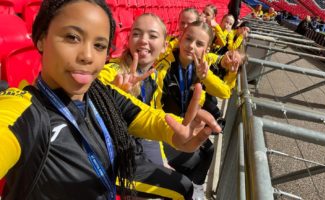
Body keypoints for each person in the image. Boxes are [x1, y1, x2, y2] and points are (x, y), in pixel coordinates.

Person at [0, 1, 221, 199]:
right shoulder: (24, 111)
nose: (87, 55)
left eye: (99, 45)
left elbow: (146, 116)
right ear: (40, 39)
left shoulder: (100, 93)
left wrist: (178, 131)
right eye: (72, 37)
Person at [98, 13, 194, 199]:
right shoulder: (112, 72)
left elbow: (151, 118)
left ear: (165, 45)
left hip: (137, 149)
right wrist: (114, 97)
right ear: (128, 40)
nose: (143, 40)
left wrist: (162, 160)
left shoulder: (152, 76)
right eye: (136, 34)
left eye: (152, 35)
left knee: (195, 157)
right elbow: (98, 85)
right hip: (112, 160)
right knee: (183, 187)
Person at [154, 21, 242, 199]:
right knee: (193, 161)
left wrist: (205, 76)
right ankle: (183, 189)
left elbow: (225, 93)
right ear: (180, 37)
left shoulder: (201, 65)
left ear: (207, 49)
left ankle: (196, 188)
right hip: (162, 127)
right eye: (188, 39)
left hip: (182, 121)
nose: (191, 46)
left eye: (199, 43)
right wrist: (160, 155)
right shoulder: (164, 66)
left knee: (208, 150)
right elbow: (153, 109)